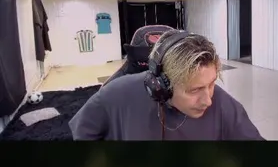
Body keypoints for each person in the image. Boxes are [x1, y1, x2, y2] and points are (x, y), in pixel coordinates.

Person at [70, 30, 263, 141]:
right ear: (161, 85)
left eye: (211, 84)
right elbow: (84, 131)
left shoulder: (222, 103)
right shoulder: (117, 93)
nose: (208, 100)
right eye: (194, 90)